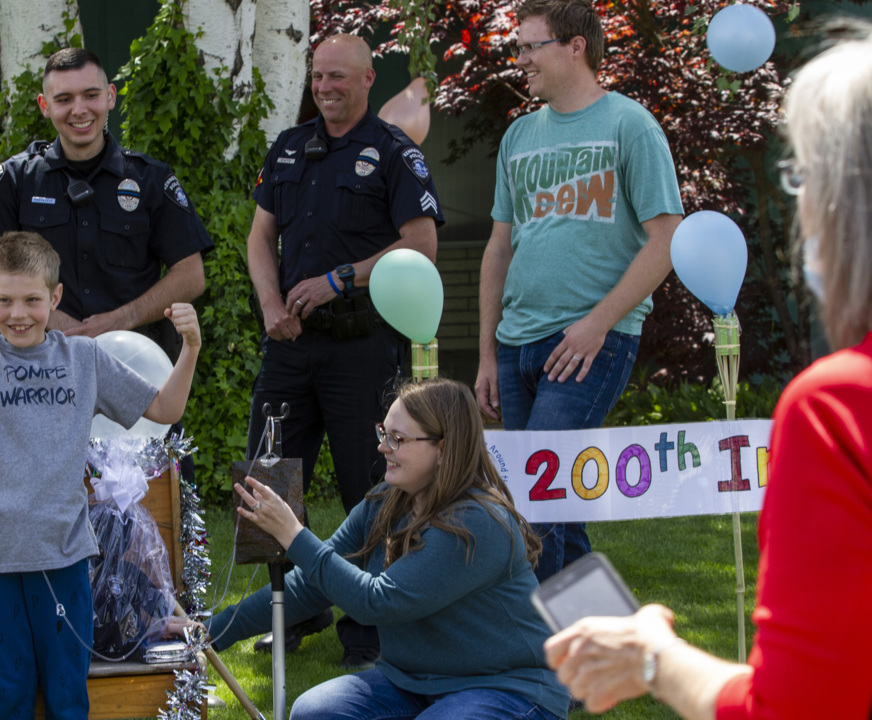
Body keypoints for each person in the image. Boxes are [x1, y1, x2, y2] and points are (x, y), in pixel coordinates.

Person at [543, 23, 872, 719]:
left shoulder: (840, 405)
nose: (800, 201)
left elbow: (797, 706)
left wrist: (652, 657)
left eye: (803, 173)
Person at [0, 231, 202, 719]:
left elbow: (165, 409)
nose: (18, 314)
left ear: (55, 298)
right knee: (10, 698)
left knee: (66, 699)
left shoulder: (82, 358)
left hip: (63, 558)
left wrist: (190, 346)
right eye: (5, 300)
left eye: (32, 300)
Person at [243, 33, 443, 670]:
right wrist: (271, 305)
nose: (326, 87)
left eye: (339, 77)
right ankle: (291, 613)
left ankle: (368, 629)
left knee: (372, 485)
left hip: (362, 351)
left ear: (366, 79)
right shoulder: (289, 148)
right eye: (318, 76)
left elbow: (420, 246)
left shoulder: (393, 153)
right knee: (270, 480)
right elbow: (259, 237)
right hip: (290, 349)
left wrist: (340, 278)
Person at [204, 378, 568, 719]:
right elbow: (311, 585)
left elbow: (378, 602)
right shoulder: (385, 502)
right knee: (313, 712)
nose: (382, 447)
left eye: (397, 439)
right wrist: (210, 633)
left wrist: (293, 535)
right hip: (410, 681)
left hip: (508, 687)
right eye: (383, 432)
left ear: (443, 449)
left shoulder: (476, 522)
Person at [475, 0, 684, 581]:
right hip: (517, 344)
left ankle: (540, 659)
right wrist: (489, 353)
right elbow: (499, 248)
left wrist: (598, 323)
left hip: (590, 341)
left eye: (530, 46)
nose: (520, 60)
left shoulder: (629, 124)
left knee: (537, 508)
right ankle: (603, 650)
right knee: (554, 506)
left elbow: (666, 238)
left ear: (576, 47)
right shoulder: (518, 135)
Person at [0, 48, 211, 358]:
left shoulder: (150, 179)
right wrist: (60, 326)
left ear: (110, 96)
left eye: (90, 95)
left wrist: (118, 321)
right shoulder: (15, 180)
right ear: (44, 105)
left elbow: (191, 275)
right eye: (64, 99)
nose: (79, 110)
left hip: (134, 360)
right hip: (40, 363)